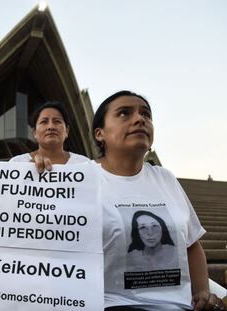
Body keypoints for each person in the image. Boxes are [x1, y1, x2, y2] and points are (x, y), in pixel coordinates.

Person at [92, 90, 225, 310]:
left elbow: (192, 244)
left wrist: (202, 291)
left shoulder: (166, 178)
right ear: (100, 134)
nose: (139, 119)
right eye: (124, 113)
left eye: (146, 114)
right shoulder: (82, 179)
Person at [10, 101, 90, 166]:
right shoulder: (16, 164)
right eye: (44, 122)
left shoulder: (84, 164)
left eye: (57, 121)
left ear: (67, 131)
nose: (51, 127)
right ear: (34, 132)